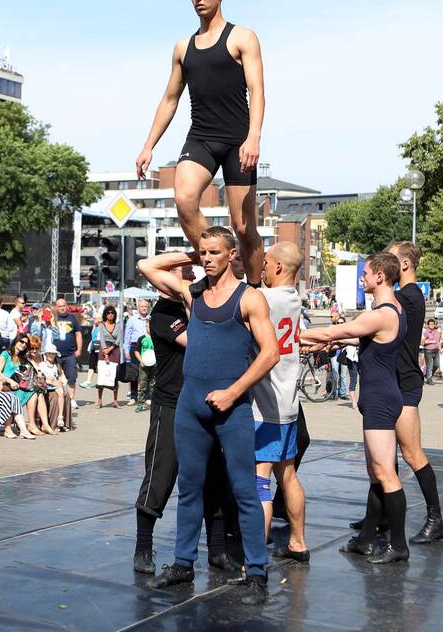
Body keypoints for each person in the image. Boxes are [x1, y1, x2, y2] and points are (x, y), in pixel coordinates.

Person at [139, 227, 278, 605]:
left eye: (215, 252)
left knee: (245, 492)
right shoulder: (191, 294)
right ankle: (183, 563)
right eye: (203, 252)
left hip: (231, 410)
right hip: (190, 407)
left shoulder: (249, 299)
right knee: (189, 489)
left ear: (232, 254)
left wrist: (234, 392)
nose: (208, 258)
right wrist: (191, 255)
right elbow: (146, 266)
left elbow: (270, 353)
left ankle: (257, 573)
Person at [134, 0, 266, 286]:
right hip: (202, 137)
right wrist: (148, 145)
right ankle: (221, 271)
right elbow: (169, 98)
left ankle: (256, 290)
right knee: (184, 199)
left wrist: (253, 138)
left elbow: (258, 91)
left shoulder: (242, 37)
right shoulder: (183, 47)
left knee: (244, 226)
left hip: (238, 140)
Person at [301, 252, 411, 564]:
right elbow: (365, 342)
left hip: (380, 400)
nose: (362, 278)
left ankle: (399, 545)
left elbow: (328, 332)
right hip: (379, 396)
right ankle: (365, 539)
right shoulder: (388, 310)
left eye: (366, 273)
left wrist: (286, 336)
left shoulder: (383, 313)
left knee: (386, 473)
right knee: (376, 472)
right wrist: (338, 343)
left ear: (380, 277)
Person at [376, 241, 443, 546]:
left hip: (405, 383)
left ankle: (436, 519)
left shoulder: (407, 297)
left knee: (412, 453)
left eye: (391, 259)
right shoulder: (406, 296)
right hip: (395, 380)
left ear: (404, 264)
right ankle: (377, 517)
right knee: (384, 455)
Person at [250, 242, 310, 562]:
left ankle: (256, 554)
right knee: (287, 476)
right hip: (289, 403)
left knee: (260, 479)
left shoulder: (263, 299)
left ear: (276, 268)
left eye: (266, 262)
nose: (261, 268)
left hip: (264, 405)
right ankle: (298, 541)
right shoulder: (295, 301)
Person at [38, 343, 73, 432]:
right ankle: (54, 423)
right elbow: (40, 378)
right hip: (47, 387)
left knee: (65, 393)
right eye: (49, 353)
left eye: (53, 353)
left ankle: (63, 421)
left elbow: (62, 376)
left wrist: (63, 382)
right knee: (57, 394)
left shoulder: (57, 365)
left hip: (57, 386)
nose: (51, 355)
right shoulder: (42, 365)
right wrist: (51, 382)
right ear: (45, 354)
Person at [51, 298, 83, 393]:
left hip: (70, 354)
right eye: (60, 306)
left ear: (67, 306)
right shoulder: (53, 318)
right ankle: (59, 398)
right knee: (55, 377)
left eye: (64, 305)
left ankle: (71, 399)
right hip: (54, 355)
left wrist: (79, 350)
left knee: (72, 377)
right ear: (56, 308)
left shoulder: (73, 318)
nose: (62, 308)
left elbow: (78, 335)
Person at [123, 299, 151, 404]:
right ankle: (133, 397)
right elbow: (127, 337)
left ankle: (147, 397)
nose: (144, 308)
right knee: (134, 373)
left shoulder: (151, 319)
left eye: (145, 307)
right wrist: (126, 351)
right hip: (135, 347)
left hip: (148, 347)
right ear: (138, 308)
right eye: (142, 307)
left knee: (148, 372)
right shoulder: (132, 320)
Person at [94, 306, 122, 408]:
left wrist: (110, 349)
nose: (110, 315)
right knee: (102, 375)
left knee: (114, 375)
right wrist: (105, 352)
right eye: (108, 313)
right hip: (103, 349)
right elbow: (101, 339)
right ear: (105, 315)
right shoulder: (101, 326)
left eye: (112, 313)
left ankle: (115, 400)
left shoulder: (118, 326)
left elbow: (118, 340)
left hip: (114, 350)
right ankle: (100, 400)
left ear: (115, 315)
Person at [132, 325, 156, 413]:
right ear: (146, 327)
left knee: (154, 384)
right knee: (142, 384)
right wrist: (141, 361)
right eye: (148, 326)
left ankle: (154, 403)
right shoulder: (141, 338)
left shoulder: (157, 338)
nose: (150, 328)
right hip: (144, 365)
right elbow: (136, 351)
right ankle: (140, 404)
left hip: (154, 365)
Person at [420, 319, 441, 383]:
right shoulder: (426, 332)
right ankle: (429, 379)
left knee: (437, 365)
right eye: (430, 324)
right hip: (428, 350)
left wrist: (429, 341)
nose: (431, 325)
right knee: (429, 365)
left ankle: (427, 375)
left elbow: (437, 341)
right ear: (428, 325)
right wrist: (431, 341)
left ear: (435, 325)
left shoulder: (437, 332)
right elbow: (422, 342)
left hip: (436, 350)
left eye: (433, 324)